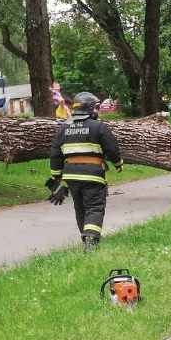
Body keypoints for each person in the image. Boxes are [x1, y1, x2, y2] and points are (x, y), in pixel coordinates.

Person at [48, 92, 123, 251]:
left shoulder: (64, 128)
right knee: (94, 207)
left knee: (80, 207)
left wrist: (56, 178)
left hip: (71, 178)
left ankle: (85, 238)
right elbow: (112, 148)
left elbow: (55, 154)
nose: (98, 110)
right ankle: (91, 241)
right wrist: (118, 163)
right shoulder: (99, 127)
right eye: (96, 107)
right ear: (89, 108)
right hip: (93, 176)